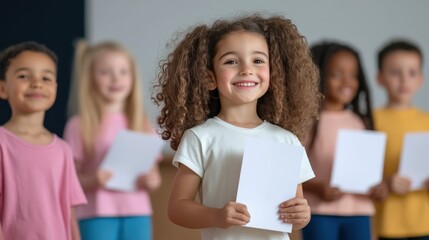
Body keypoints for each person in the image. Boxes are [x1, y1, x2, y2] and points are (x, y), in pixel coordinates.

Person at [153, 14, 321, 240]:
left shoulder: (287, 140)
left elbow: (297, 211)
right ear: (209, 78)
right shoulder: (200, 138)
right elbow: (177, 209)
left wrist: (302, 214)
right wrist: (217, 216)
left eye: (258, 61)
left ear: (274, 74)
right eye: (231, 61)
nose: (246, 69)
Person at [63, 40, 161, 240]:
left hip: (138, 213)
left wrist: (152, 181)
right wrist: (92, 181)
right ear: (90, 79)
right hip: (95, 214)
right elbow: (69, 180)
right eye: (105, 72)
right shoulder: (79, 125)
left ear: (133, 78)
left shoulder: (143, 124)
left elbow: (154, 176)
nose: (116, 78)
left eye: (123, 72)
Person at [0, 41, 86, 239]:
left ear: (55, 88)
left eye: (46, 77)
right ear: (3, 88)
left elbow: (69, 213)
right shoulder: (2, 143)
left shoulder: (63, 150)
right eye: (24, 76)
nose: (37, 83)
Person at [302, 42, 379, 240]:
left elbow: (368, 170)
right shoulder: (307, 122)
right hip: (319, 212)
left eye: (353, 75)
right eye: (336, 74)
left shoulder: (361, 121)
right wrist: (316, 187)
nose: (347, 82)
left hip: (360, 211)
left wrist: (378, 187)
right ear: (316, 76)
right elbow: (291, 172)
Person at [373, 40, 429, 240]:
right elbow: (361, 176)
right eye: (395, 72)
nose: (404, 80)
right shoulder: (370, 122)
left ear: (420, 79)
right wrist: (386, 182)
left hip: (425, 224)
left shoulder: (427, 122)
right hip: (386, 225)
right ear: (379, 78)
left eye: (412, 73)